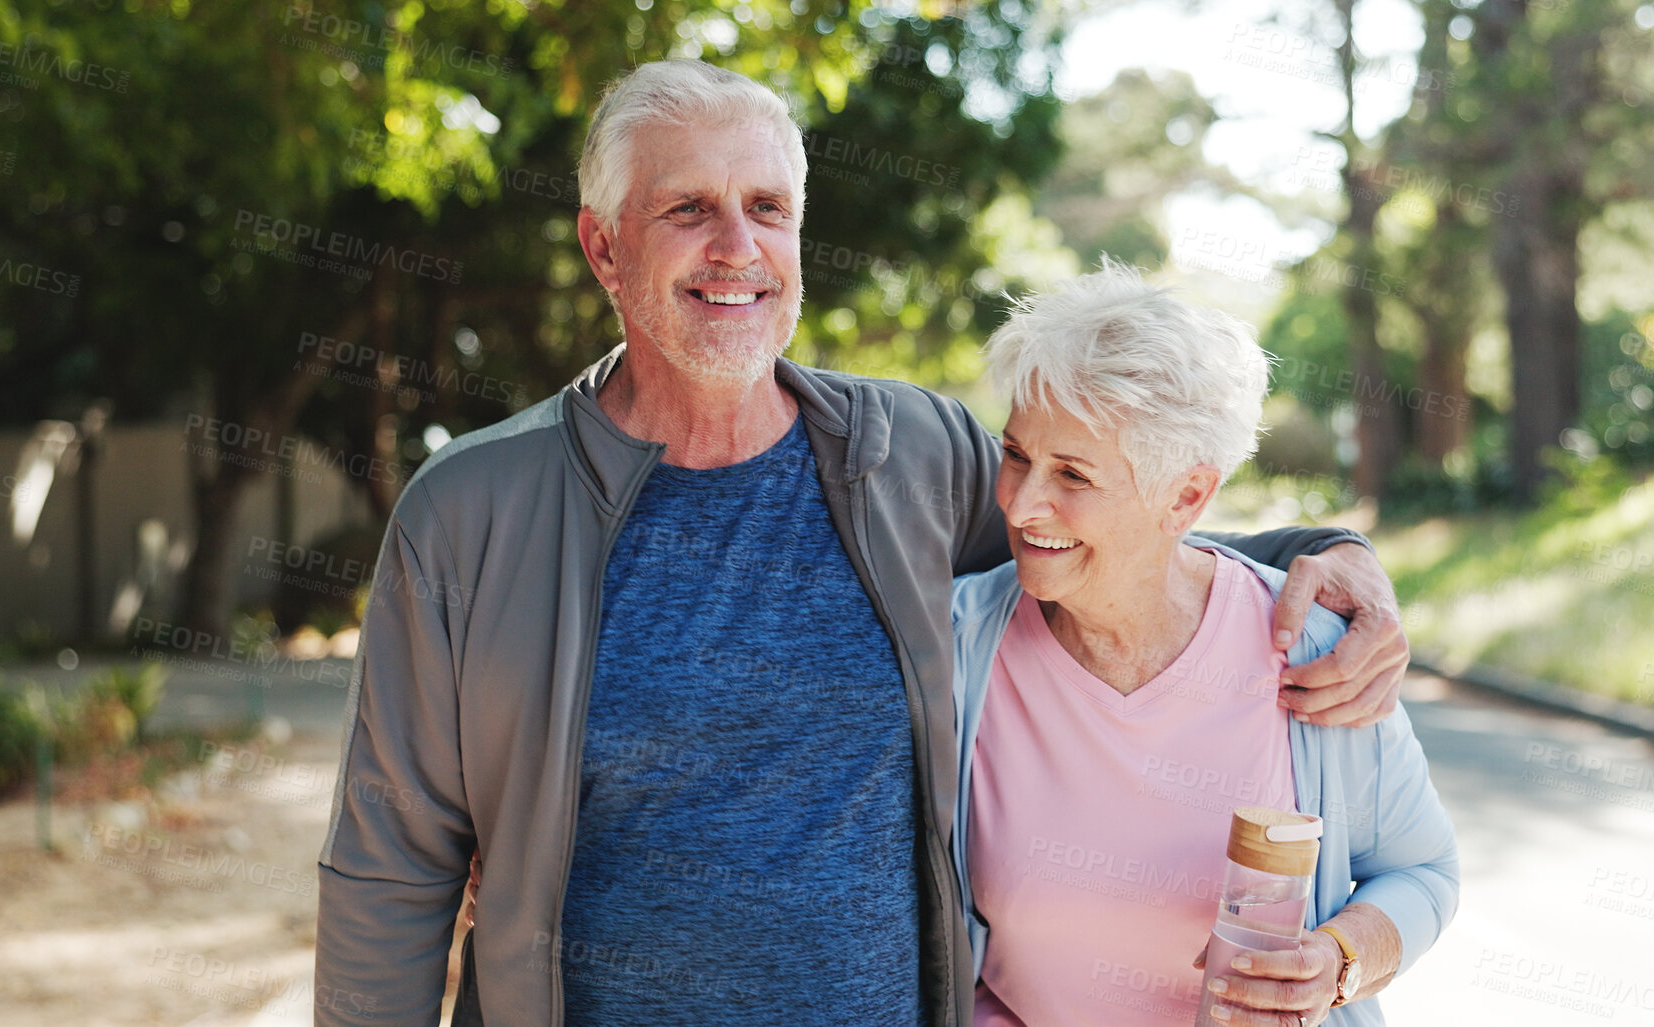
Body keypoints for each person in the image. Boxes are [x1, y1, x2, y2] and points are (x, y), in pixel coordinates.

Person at [314, 60, 1414, 1027]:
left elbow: (1104, 533)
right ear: (604, 246)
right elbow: (389, 865)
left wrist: (1328, 550)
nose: (737, 247)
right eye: (688, 209)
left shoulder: (909, 451)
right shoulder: (472, 511)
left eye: (767, 207)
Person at [950, 263, 1460, 1026]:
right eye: (1017, 454)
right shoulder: (954, 645)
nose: (1021, 505)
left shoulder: (1316, 653)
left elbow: (1422, 870)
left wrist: (1335, 961)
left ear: (1185, 496)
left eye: (1072, 475)